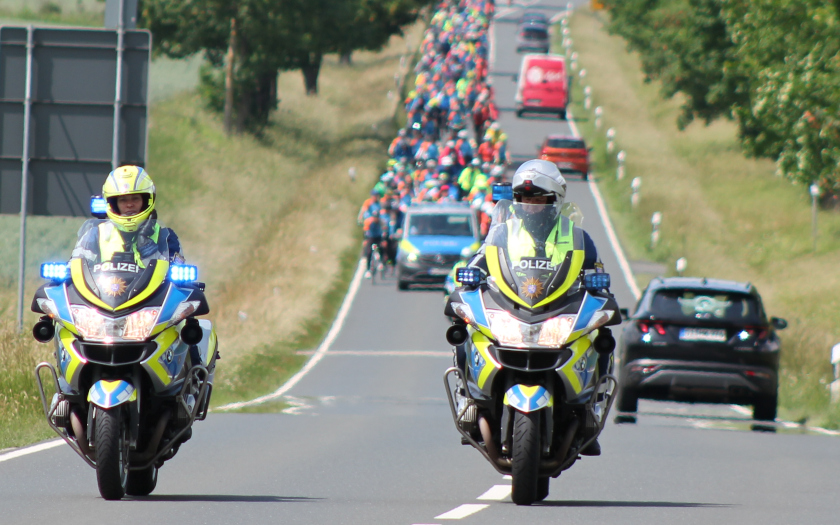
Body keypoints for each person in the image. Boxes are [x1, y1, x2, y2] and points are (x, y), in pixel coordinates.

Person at [461, 159, 607, 456]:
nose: (531, 206)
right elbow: (481, 259)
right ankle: (470, 402)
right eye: (525, 199)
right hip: (512, 308)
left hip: (556, 312)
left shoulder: (577, 237)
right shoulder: (502, 232)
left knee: (600, 337)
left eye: (538, 200)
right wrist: (470, 276)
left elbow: (596, 273)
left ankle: (592, 405)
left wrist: (600, 288)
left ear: (554, 201)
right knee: (468, 329)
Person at [72, 165, 184, 266]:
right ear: (113, 204)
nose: (130, 204)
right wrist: (67, 272)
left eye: (135, 198)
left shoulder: (165, 236)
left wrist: (146, 247)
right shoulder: (96, 234)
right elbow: (76, 266)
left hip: (154, 290)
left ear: (146, 201)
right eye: (123, 200)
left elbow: (173, 276)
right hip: (100, 289)